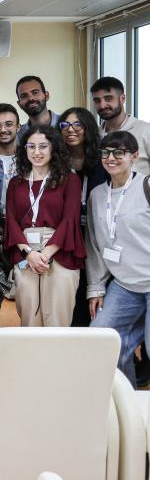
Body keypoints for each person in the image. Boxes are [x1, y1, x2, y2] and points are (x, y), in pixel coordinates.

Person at [86, 131, 150, 387]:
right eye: (106, 152)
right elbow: (95, 244)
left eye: (119, 153)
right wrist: (96, 287)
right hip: (124, 285)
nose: (111, 158)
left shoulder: (146, 185)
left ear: (134, 156)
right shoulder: (97, 195)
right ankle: (127, 406)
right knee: (101, 338)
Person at [5, 125, 84, 327]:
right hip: (25, 252)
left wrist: (46, 254)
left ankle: (58, 359)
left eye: (43, 146)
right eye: (31, 146)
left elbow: (70, 220)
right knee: (29, 318)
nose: (37, 152)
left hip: (59, 249)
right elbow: (11, 221)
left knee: (57, 317)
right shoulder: (15, 183)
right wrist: (29, 254)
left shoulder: (70, 180)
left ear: (53, 148)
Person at [59, 106, 107, 327]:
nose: (71, 130)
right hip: (69, 237)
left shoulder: (103, 162)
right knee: (74, 301)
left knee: (98, 300)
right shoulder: (57, 163)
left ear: (88, 127)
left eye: (77, 124)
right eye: (65, 125)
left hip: (99, 236)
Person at [92, 76, 150, 175]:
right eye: (97, 100)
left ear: (122, 98)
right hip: (102, 190)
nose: (102, 105)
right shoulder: (94, 135)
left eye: (108, 99)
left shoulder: (145, 131)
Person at [15, 75, 60, 140]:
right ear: (19, 104)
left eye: (35, 92)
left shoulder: (65, 124)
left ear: (46, 95)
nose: (31, 98)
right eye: (24, 96)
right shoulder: (19, 136)